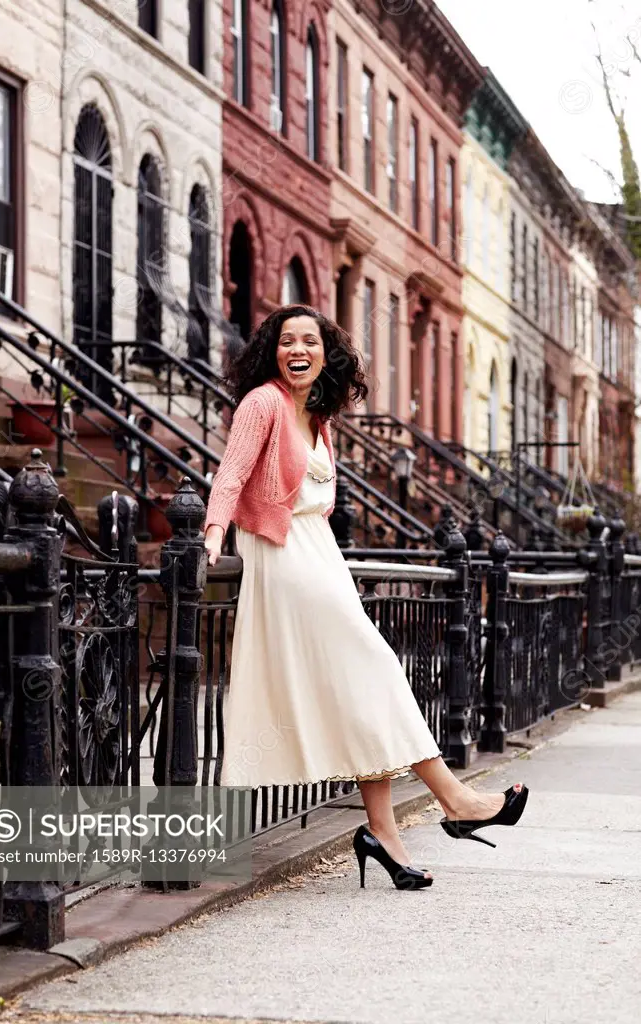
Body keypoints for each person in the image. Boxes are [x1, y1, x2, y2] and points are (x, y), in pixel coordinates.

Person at [203, 304, 528, 891]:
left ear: (326, 354)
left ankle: (383, 834)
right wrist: (213, 533)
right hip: (281, 555)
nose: (296, 349)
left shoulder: (319, 417)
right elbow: (230, 473)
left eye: (309, 340)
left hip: (319, 554)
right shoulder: (263, 403)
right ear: (271, 352)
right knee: (373, 668)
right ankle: (453, 797)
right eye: (285, 341)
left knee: (361, 691)